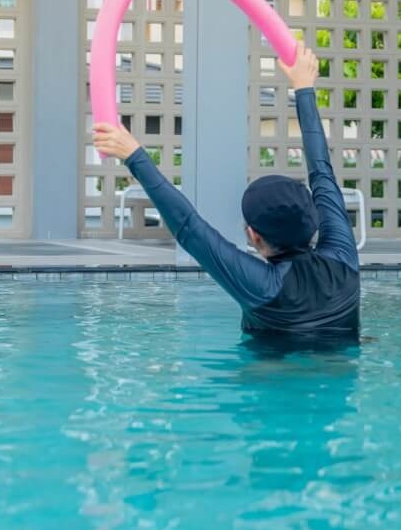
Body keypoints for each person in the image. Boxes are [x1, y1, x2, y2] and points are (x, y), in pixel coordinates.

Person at [92, 41, 360, 338]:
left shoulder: (263, 286)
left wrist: (134, 156)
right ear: (315, 220)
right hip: (341, 364)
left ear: (253, 236)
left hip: (275, 368)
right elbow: (322, 172)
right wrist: (304, 87)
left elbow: (189, 227)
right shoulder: (344, 260)